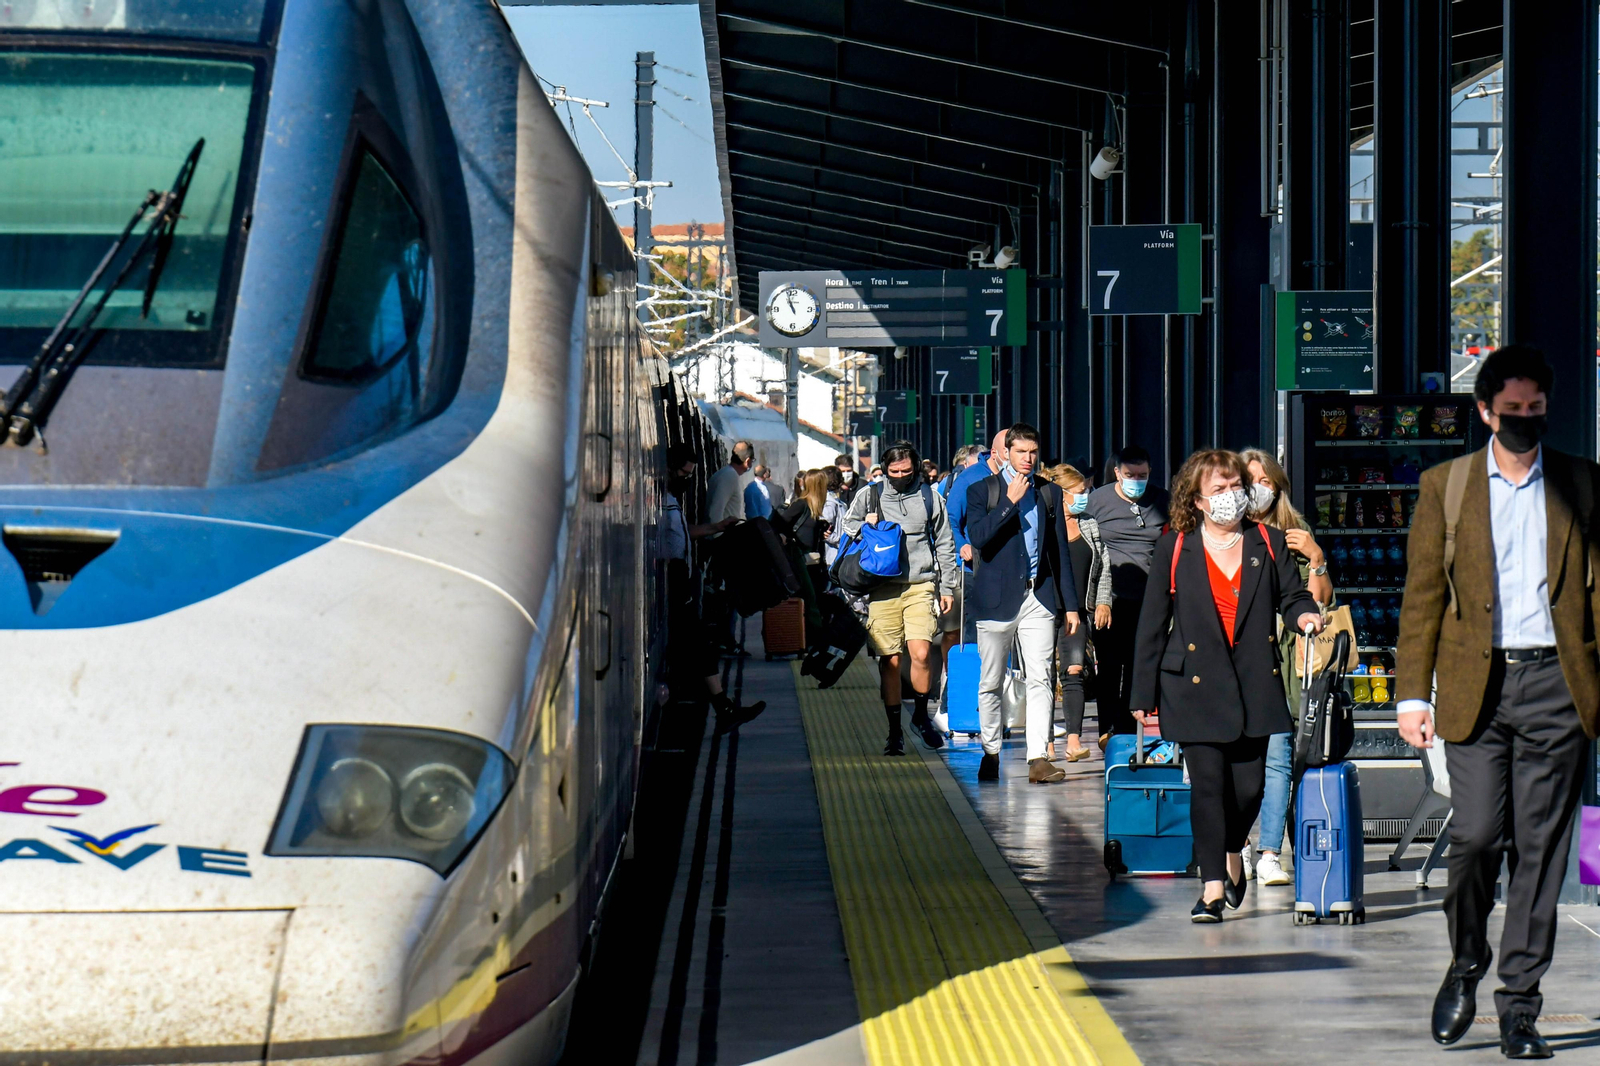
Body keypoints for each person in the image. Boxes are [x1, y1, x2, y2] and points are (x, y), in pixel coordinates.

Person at [1396, 345, 1600, 1059]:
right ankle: (1466, 959)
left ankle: (1520, 1007)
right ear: (1484, 411)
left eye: (1535, 411)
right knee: (1477, 837)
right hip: (1473, 691)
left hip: (1556, 687)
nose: (1523, 422)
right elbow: (1421, 598)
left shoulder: (1582, 483)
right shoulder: (1446, 487)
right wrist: (1410, 696)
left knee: (1542, 853)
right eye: (1511, 412)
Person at [1129, 449, 1321, 923]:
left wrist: (1305, 617)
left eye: (1236, 487)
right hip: (1192, 685)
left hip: (1256, 680)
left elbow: (1291, 597)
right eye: (1219, 490)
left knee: (1250, 788)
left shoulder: (1269, 542)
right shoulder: (1175, 546)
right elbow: (1152, 623)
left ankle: (1234, 847)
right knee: (1208, 787)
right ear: (1195, 499)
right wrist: (1141, 695)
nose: (1231, 497)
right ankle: (1212, 886)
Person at [964, 424, 1082, 784]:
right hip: (996, 599)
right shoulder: (981, 490)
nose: (1028, 459)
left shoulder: (1049, 493)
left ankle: (1038, 758)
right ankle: (991, 751)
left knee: (1041, 676)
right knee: (991, 679)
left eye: (1033, 452)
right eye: (1020, 452)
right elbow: (979, 538)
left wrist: (1071, 605)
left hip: (1038, 595)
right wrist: (1009, 503)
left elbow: (1058, 550)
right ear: (1004, 454)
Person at [1238, 448, 1334, 887]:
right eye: (1251, 480)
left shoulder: (1295, 532)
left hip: (1287, 660)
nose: (1259, 489)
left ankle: (1269, 852)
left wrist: (1315, 557)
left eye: (1266, 482)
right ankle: (1235, 843)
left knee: (1278, 757)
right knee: (1238, 758)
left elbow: (1320, 601)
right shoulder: (1226, 532)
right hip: (1240, 659)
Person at [841, 442, 959, 755]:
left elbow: (945, 542)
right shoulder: (870, 494)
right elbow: (847, 528)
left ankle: (920, 715)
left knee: (920, 653)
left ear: (916, 468)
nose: (900, 477)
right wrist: (864, 524)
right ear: (885, 469)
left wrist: (947, 587)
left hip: (920, 584)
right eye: (894, 472)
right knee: (889, 661)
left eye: (907, 472)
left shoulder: (929, 497)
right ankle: (895, 731)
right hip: (881, 587)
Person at [660, 444, 767, 730]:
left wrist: (718, 526)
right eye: (684, 473)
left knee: (696, 649)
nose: (687, 479)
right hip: (669, 585)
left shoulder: (669, 499)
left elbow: (686, 531)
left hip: (679, 585)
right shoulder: (654, 500)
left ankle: (723, 710)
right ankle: (722, 710)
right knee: (697, 648)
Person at [1086, 445, 1170, 746]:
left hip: (1150, 598)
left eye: (1143, 475)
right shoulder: (1098, 501)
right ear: (1118, 473)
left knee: (1140, 664)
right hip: (1110, 599)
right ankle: (1108, 728)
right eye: (1131, 475)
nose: (1137, 480)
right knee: (1109, 665)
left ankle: (1127, 727)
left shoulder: (1162, 500)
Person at [1043, 463, 1111, 762]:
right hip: (1045, 608)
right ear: (1062, 494)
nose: (1086, 497)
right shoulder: (1045, 524)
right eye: (1080, 492)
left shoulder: (1090, 524)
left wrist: (1103, 601)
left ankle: (1073, 741)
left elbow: (1104, 566)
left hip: (1079, 611)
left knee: (1074, 671)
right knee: (1042, 675)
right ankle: (1044, 742)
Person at [948, 432, 1011, 645]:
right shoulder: (969, 478)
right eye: (1008, 451)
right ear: (994, 453)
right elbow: (950, 518)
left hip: (1013, 569)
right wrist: (961, 545)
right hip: (976, 568)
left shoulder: (1023, 479)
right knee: (977, 631)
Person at [708, 440, 753, 526]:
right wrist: (718, 536)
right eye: (752, 460)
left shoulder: (726, 473)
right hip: (723, 536)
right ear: (747, 461)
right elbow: (715, 512)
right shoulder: (730, 476)